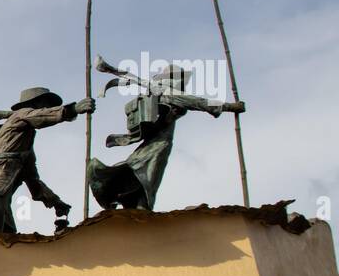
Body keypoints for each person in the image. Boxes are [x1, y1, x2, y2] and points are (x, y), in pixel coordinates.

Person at [88, 66, 244, 211]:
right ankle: (140, 205)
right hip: (159, 145)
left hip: (150, 145)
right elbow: (201, 103)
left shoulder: (156, 92)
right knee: (148, 177)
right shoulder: (169, 93)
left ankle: (134, 202)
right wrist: (231, 106)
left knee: (141, 173)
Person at [0, 87, 93, 232]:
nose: (50, 108)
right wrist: (72, 110)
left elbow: (32, 179)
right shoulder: (21, 115)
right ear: (35, 103)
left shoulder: (24, 147)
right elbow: (41, 116)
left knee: (7, 233)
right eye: (47, 104)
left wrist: (55, 201)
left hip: (1, 192)